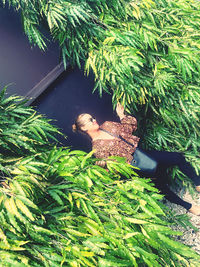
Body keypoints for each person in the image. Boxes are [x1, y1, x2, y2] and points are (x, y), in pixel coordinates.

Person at [72, 103, 200, 215]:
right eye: (90, 120)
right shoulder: (98, 149)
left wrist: (121, 115)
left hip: (142, 154)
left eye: (92, 117)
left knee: (177, 158)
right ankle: (189, 207)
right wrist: (105, 167)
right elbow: (117, 168)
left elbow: (130, 128)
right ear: (84, 128)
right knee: (162, 187)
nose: (94, 120)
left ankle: (198, 183)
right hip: (136, 167)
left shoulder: (107, 125)